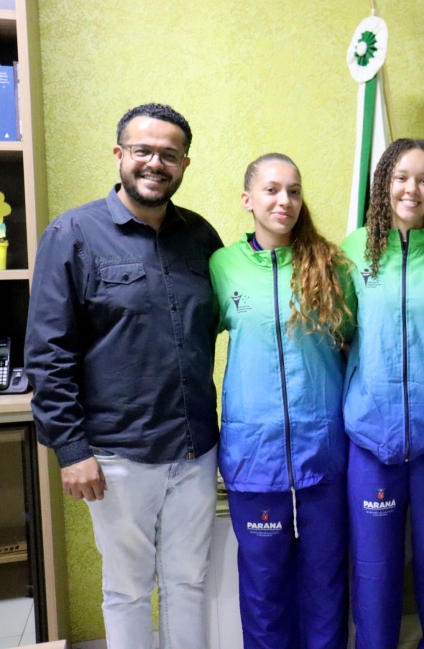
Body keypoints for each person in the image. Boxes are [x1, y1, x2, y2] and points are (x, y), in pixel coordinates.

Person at [25, 103, 222, 649]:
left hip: (195, 447)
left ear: (185, 163)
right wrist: (71, 450)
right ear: (119, 155)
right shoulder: (73, 233)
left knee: (188, 581)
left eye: (169, 154)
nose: (155, 163)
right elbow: (47, 354)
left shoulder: (201, 237)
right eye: (143, 151)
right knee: (129, 590)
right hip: (116, 456)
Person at [209, 153, 353, 648]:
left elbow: (353, 346)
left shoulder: (330, 266)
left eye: (293, 190)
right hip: (255, 460)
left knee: (326, 587)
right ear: (247, 199)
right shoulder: (222, 267)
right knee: (265, 591)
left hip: (324, 458)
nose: (284, 200)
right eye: (271, 190)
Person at [341, 138, 424, 649]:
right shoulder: (352, 252)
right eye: (400, 177)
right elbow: (340, 337)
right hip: (371, 438)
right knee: (374, 570)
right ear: (382, 185)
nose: (411, 189)